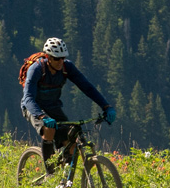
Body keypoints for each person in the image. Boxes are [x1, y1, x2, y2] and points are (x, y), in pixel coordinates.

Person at [19, 36, 111, 170]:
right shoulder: (37, 69)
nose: (60, 61)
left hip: (53, 107)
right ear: (48, 57)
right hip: (34, 107)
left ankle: (65, 179)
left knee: (71, 140)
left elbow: (87, 87)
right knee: (49, 129)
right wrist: (42, 116)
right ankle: (51, 172)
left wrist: (106, 106)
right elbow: (28, 97)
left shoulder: (67, 67)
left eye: (63, 57)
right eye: (56, 58)